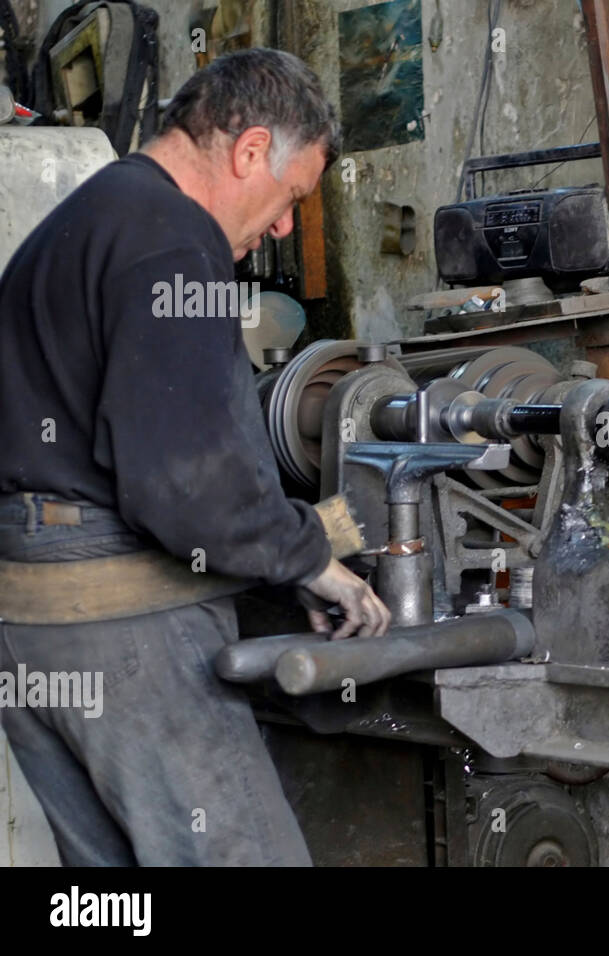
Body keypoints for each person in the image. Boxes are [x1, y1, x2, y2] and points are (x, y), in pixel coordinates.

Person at [0, 49, 390, 865]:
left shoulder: (88, 215)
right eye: (291, 198)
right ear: (249, 151)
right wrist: (310, 556)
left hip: (30, 626)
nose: (284, 226)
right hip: (120, 627)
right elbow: (188, 486)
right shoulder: (177, 243)